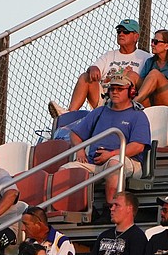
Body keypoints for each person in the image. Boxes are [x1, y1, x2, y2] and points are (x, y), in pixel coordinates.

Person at [62, 74, 151, 207]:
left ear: (131, 91)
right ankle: (79, 209)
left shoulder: (138, 115)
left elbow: (138, 147)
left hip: (127, 161)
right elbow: (75, 134)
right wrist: (80, 150)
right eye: (112, 89)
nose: (115, 92)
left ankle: (111, 207)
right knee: (65, 170)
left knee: (113, 164)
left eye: (120, 89)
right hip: (94, 162)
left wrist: (111, 154)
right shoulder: (99, 112)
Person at [50, 18, 149, 117]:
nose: (121, 34)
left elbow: (147, 86)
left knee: (131, 76)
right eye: (119, 31)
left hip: (129, 101)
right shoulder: (109, 55)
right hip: (105, 99)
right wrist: (93, 69)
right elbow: (93, 69)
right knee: (85, 77)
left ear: (136, 37)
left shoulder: (145, 57)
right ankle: (68, 115)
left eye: (126, 32)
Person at [66, 192, 146, 255]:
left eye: (116, 205)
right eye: (111, 205)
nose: (111, 209)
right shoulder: (104, 235)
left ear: (129, 209)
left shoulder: (137, 235)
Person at [133, 29, 168, 108]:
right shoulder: (150, 61)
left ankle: (134, 103)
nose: (152, 44)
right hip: (151, 98)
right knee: (132, 75)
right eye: (152, 41)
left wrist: (167, 82)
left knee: (155, 73)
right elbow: (142, 84)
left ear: (167, 46)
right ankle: (116, 104)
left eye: (156, 42)